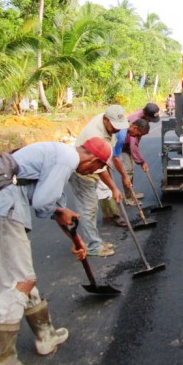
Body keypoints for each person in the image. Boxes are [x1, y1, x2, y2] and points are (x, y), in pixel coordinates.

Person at [0, 137, 111, 365]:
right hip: (3, 210)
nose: (93, 172)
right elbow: (43, 204)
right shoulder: (68, 158)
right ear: (92, 159)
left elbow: (56, 209)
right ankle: (3, 362)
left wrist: (77, 241)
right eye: (96, 167)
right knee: (18, 281)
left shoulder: (61, 157)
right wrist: (61, 212)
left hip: (7, 207)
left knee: (26, 278)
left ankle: (45, 336)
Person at [70, 105, 128, 257]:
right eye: (115, 126)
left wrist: (112, 187)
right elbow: (99, 168)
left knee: (92, 207)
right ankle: (93, 245)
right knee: (88, 208)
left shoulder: (108, 123)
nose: (117, 130)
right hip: (83, 173)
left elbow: (104, 163)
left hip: (95, 168)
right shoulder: (94, 134)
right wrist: (114, 188)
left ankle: (94, 240)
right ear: (106, 120)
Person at [99, 118, 150, 223]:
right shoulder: (121, 135)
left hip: (105, 151)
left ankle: (109, 216)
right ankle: (113, 216)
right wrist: (125, 176)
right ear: (134, 128)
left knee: (106, 186)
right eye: (138, 134)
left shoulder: (124, 128)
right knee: (105, 187)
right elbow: (116, 158)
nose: (137, 137)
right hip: (97, 154)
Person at [121, 104, 159, 205]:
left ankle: (131, 193)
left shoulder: (142, 117)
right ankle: (129, 198)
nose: (150, 121)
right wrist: (141, 162)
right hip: (122, 146)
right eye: (150, 118)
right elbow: (133, 145)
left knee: (131, 170)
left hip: (128, 145)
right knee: (127, 171)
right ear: (145, 114)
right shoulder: (135, 121)